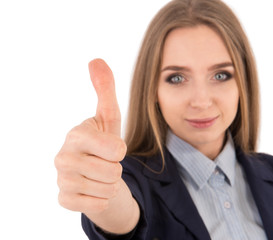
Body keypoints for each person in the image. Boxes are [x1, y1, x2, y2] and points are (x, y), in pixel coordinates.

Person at [54, 0, 273, 239]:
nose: (201, 101)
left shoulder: (269, 171)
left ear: (243, 82)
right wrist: (105, 193)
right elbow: (124, 215)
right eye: (177, 78)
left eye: (221, 75)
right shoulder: (130, 179)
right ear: (153, 90)